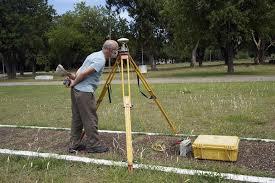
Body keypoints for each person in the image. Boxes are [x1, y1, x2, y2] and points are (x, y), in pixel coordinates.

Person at [67, 40, 119, 153]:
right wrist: (74, 82)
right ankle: (93, 145)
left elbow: (80, 71)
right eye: (115, 50)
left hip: (76, 90)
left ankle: (74, 144)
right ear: (109, 50)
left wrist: (73, 79)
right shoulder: (100, 60)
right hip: (84, 92)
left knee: (77, 118)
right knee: (90, 118)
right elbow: (84, 73)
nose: (116, 52)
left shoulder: (94, 55)